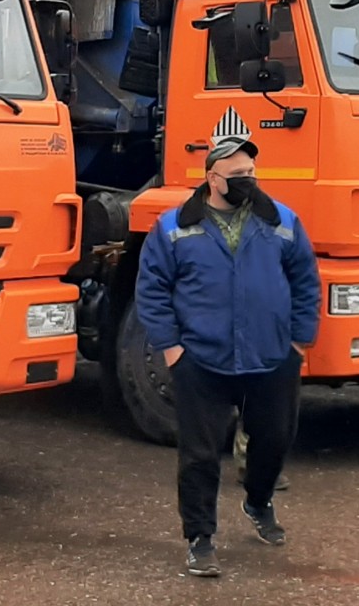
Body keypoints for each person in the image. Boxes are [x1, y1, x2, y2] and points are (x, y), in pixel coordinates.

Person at [136, 137, 321, 577]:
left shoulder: (282, 221)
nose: (247, 183)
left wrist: (300, 341)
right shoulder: (173, 227)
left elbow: (305, 280)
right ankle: (200, 539)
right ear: (212, 178)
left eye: (252, 175)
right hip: (202, 359)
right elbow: (152, 289)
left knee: (274, 439)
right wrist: (173, 348)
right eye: (238, 177)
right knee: (199, 454)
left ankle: (258, 501)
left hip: (272, 356)